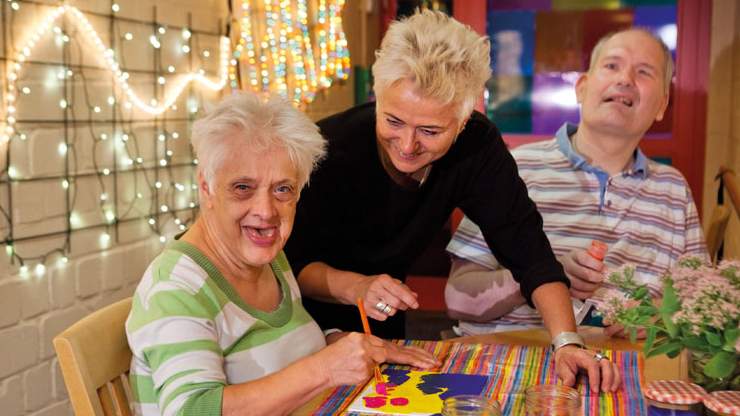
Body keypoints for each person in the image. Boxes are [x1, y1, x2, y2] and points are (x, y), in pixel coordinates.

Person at [284, 10, 619, 392]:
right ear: (377, 98)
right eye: (393, 121)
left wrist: (566, 341)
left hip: (383, 317)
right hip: (300, 327)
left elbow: (529, 252)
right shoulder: (324, 150)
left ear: (462, 122)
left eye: (430, 130)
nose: (407, 146)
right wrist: (356, 286)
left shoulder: (476, 146)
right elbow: (286, 267)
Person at [125, 92, 439, 416]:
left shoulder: (270, 258)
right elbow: (192, 410)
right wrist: (324, 369)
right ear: (206, 187)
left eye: (283, 189)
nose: (265, 211)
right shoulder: (177, 287)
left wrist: (346, 346)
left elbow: (280, 354)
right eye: (242, 187)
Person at [446, 28, 708, 338]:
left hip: (623, 370)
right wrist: (542, 274)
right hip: (509, 359)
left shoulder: (673, 190)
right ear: (581, 87)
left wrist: (654, 317)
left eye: (644, 72)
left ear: (663, 104)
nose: (625, 79)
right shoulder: (514, 168)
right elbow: (458, 299)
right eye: (612, 65)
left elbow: (700, 303)